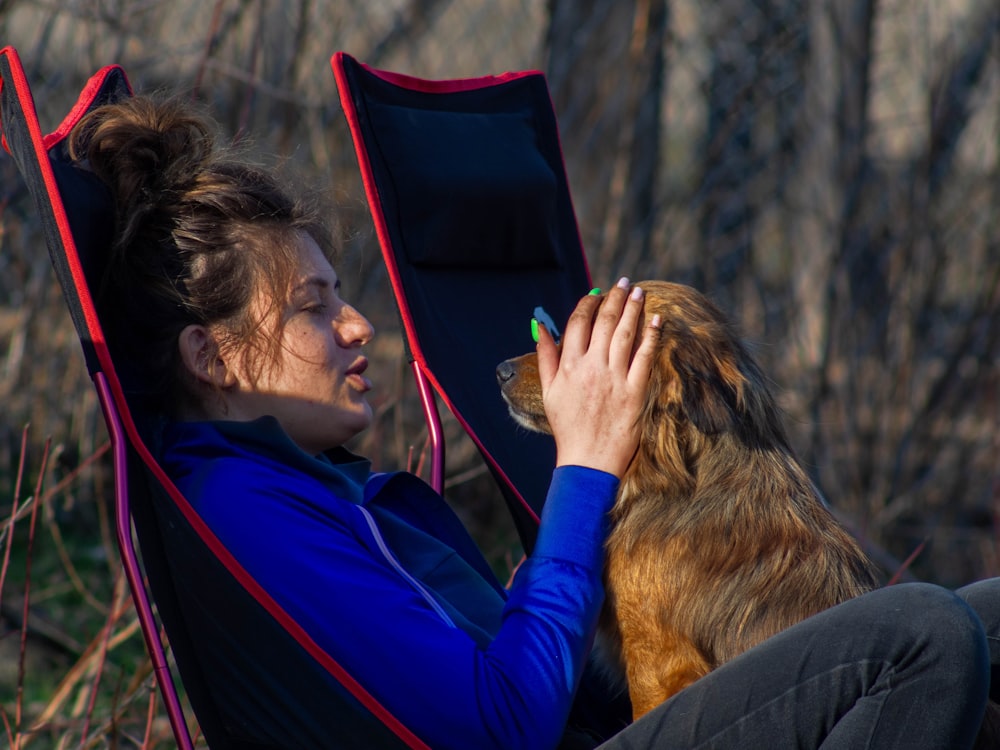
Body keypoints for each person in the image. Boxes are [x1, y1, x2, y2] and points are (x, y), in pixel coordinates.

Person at [70, 94, 998, 750]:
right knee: (919, 634)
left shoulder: (309, 487)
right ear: (210, 357)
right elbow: (502, 723)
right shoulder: (246, 510)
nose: (358, 326)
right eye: (313, 307)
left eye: (342, 295)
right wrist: (586, 470)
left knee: (983, 619)